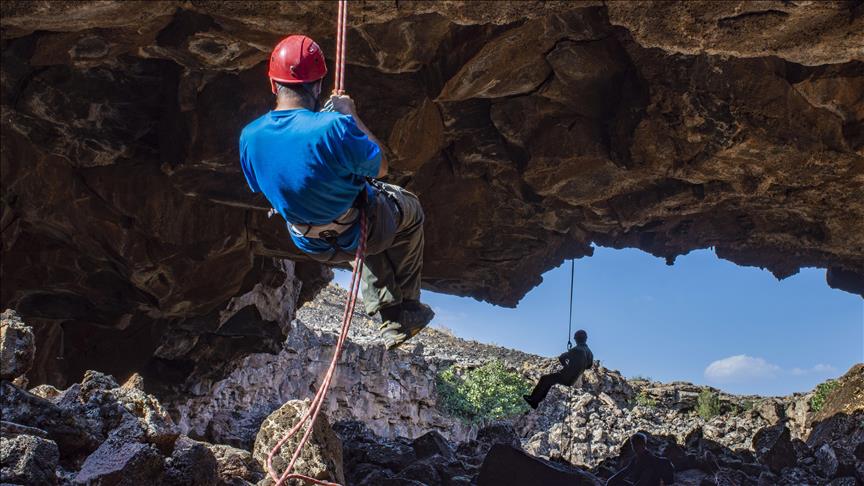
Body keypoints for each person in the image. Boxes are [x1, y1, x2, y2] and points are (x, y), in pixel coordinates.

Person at [239, 35, 433, 349]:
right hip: (360, 232)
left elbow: (260, 185)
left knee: (358, 218)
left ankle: (389, 310)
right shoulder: (334, 127)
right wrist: (348, 114)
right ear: (317, 86)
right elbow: (381, 165)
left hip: (310, 242)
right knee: (407, 208)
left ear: (274, 84)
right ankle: (404, 309)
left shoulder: (249, 137)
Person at [523, 329, 593, 409]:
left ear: (576, 339)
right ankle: (537, 400)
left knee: (545, 379)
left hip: (565, 376)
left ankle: (534, 400)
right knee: (549, 380)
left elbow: (561, 358)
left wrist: (567, 364)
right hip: (573, 380)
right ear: (586, 338)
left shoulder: (576, 349)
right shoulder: (590, 353)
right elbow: (589, 366)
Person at [606, 433, 675, 486]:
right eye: (633, 445)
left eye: (637, 444)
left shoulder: (650, 460)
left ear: (643, 444)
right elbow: (624, 472)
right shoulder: (635, 460)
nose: (635, 447)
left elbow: (643, 481)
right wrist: (610, 482)